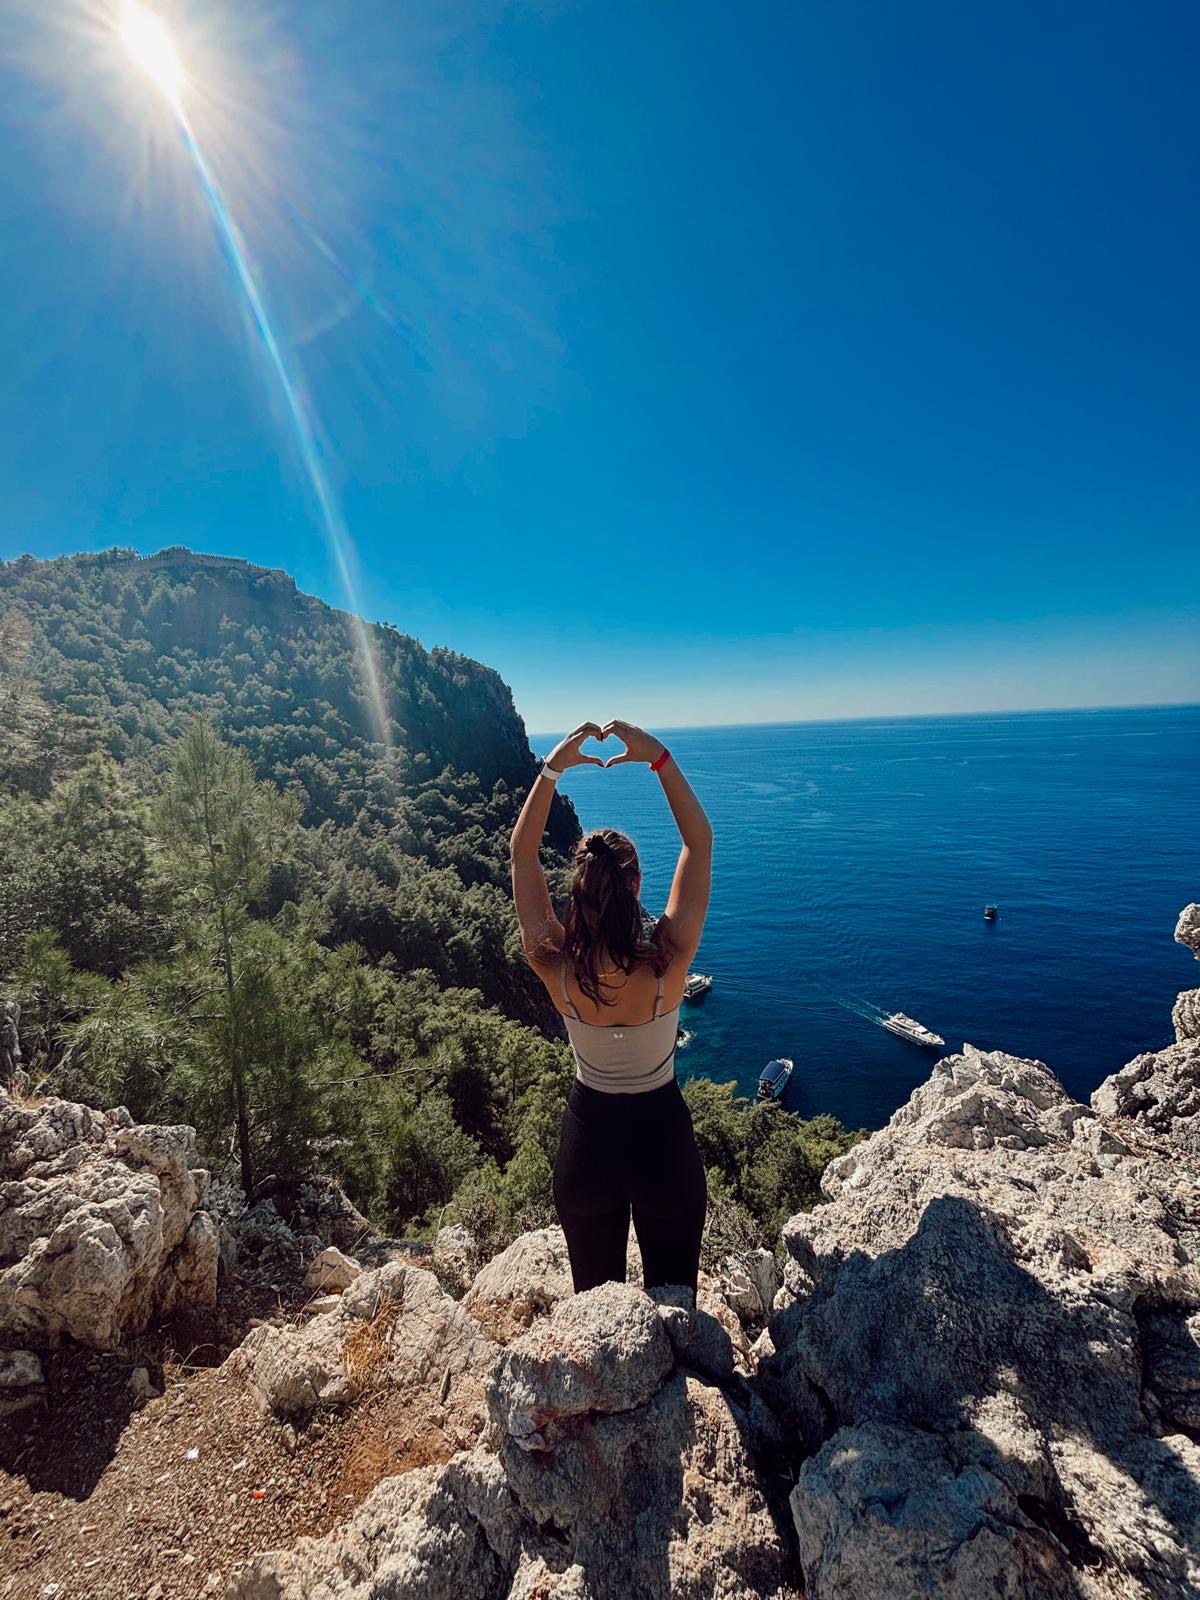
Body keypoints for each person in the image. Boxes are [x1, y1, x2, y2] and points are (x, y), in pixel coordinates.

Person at [509, 717, 713, 1300]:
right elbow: (699, 843)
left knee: (596, 1318)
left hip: (587, 1153)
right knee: (676, 1313)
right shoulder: (666, 965)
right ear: (638, 884)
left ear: (577, 893)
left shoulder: (557, 967)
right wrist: (658, 758)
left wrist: (552, 768)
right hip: (663, 1149)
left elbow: (522, 856)